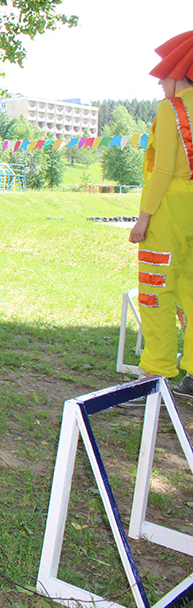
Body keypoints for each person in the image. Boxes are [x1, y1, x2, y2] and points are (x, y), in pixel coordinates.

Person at [128, 30, 193, 399]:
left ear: (178, 75)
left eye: (163, 77)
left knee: (156, 291)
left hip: (169, 210)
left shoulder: (172, 109)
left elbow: (164, 169)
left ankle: (156, 375)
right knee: (192, 290)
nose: (160, 85)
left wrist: (144, 217)